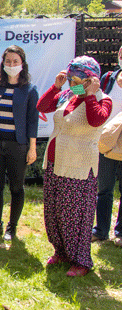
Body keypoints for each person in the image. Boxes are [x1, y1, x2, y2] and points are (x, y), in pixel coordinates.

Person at [37, 56, 111, 277]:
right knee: (53, 212)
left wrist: (89, 95)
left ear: (91, 79)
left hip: (79, 166)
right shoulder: (67, 95)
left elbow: (96, 120)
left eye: (78, 78)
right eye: (70, 78)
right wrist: (56, 86)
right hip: (54, 162)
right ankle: (61, 251)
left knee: (74, 215)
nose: (73, 83)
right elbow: (42, 106)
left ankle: (80, 261)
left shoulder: (102, 99)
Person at [0, 45, 39, 241]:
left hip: (17, 146)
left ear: (22, 64)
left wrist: (32, 148)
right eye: (8, 61)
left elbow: (32, 120)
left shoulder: (29, 89)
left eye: (15, 61)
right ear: (3, 64)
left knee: (16, 187)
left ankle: (12, 226)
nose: (11, 65)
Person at [92, 45, 122, 245]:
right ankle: (100, 230)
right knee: (104, 189)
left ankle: (120, 232)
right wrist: (66, 85)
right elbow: (82, 91)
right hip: (106, 143)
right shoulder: (107, 78)